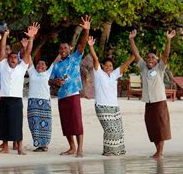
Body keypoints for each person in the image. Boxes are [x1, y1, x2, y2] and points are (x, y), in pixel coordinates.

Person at [129, 29, 175, 159]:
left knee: (161, 128)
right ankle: (157, 151)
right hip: (148, 102)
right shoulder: (143, 67)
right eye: (148, 57)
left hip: (159, 101)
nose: (150, 59)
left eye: (152, 57)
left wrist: (168, 39)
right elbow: (136, 54)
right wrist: (131, 39)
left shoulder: (159, 68)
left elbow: (166, 55)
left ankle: (160, 152)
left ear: (156, 60)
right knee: (152, 127)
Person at [49, 15, 91, 157]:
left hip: (73, 94)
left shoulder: (75, 58)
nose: (63, 50)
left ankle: (80, 149)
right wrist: (56, 82)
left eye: (65, 48)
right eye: (61, 49)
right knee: (66, 123)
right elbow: (50, 80)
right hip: (62, 96)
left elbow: (82, 45)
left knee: (77, 122)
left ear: (69, 49)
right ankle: (72, 147)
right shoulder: (56, 65)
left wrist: (86, 30)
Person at [88, 36, 134, 156]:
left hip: (114, 107)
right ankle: (108, 151)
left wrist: (135, 54)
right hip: (102, 106)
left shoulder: (114, 75)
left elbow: (126, 64)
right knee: (109, 129)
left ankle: (118, 151)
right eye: (106, 65)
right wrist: (91, 47)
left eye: (110, 66)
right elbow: (95, 59)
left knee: (118, 130)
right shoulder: (98, 73)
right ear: (103, 66)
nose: (108, 67)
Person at [0, 23, 37, 155]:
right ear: (7, 59)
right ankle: (5, 148)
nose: (13, 59)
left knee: (17, 124)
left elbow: (28, 52)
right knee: (4, 123)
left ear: (17, 60)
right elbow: (2, 49)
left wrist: (31, 38)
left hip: (16, 100)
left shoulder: (21, 67)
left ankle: (19, 148)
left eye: (15, 57)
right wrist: (5, 35)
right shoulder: (3, 66)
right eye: (11, 57)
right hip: (4, 98)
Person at [27, 54, 61, 152]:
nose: (40, 65)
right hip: (33, 102)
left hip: (45, 102)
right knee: (33, 124)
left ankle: (44, 145)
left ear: (46, 67)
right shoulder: (32, 72)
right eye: (38, 64)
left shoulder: (48, 72)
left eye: (43, 64)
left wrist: (63, 53)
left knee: (45, 124)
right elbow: (28, 58)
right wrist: (27, 46)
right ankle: (38, 144)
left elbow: (56, 61)